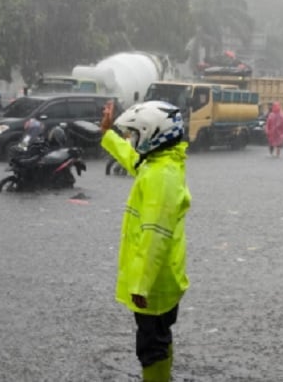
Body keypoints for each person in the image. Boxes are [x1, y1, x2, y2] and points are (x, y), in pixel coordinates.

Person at [100, 99, 191, 382]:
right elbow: (133, 160)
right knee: (159, 337)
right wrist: (109, 134)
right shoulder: (160, 164)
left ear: (154, 133)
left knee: (151, 346)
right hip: (161, 280)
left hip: (153, 284)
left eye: (138, 134)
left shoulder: (160, 176)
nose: (135, 140)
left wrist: (141, 284)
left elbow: (155, 235)